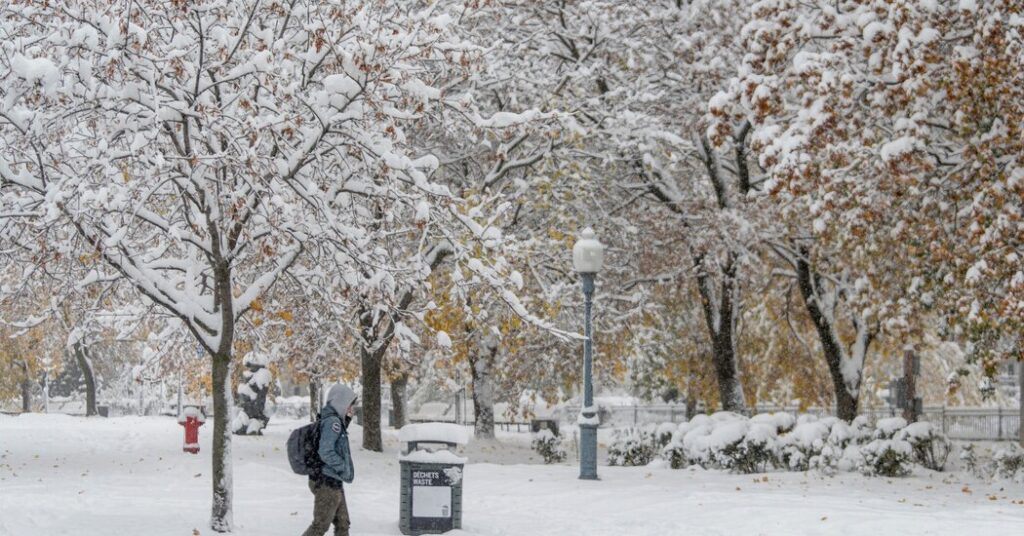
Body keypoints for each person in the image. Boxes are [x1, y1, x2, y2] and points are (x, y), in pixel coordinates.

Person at [303, 384, 357, 536]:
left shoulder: (333, 421)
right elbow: (326, 451)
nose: (351, 410)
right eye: (349, 405)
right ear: (340, 402)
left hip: (333, 480)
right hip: (327, 481)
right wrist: (342, 467)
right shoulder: (332, 423)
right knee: (320, 526)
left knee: (343, 523)